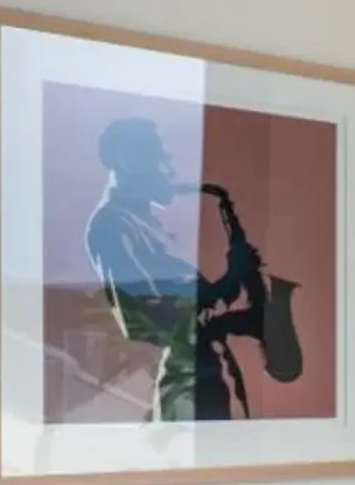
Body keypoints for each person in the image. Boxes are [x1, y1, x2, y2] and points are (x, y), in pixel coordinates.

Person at [84, 118, 269, 421]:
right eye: (156, 156)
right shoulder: (111, 226)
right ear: (122, 160)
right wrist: (234, 280)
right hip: (189, 392)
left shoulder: (143, 226)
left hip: (211, 379)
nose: (168, 170)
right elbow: (155, 317)